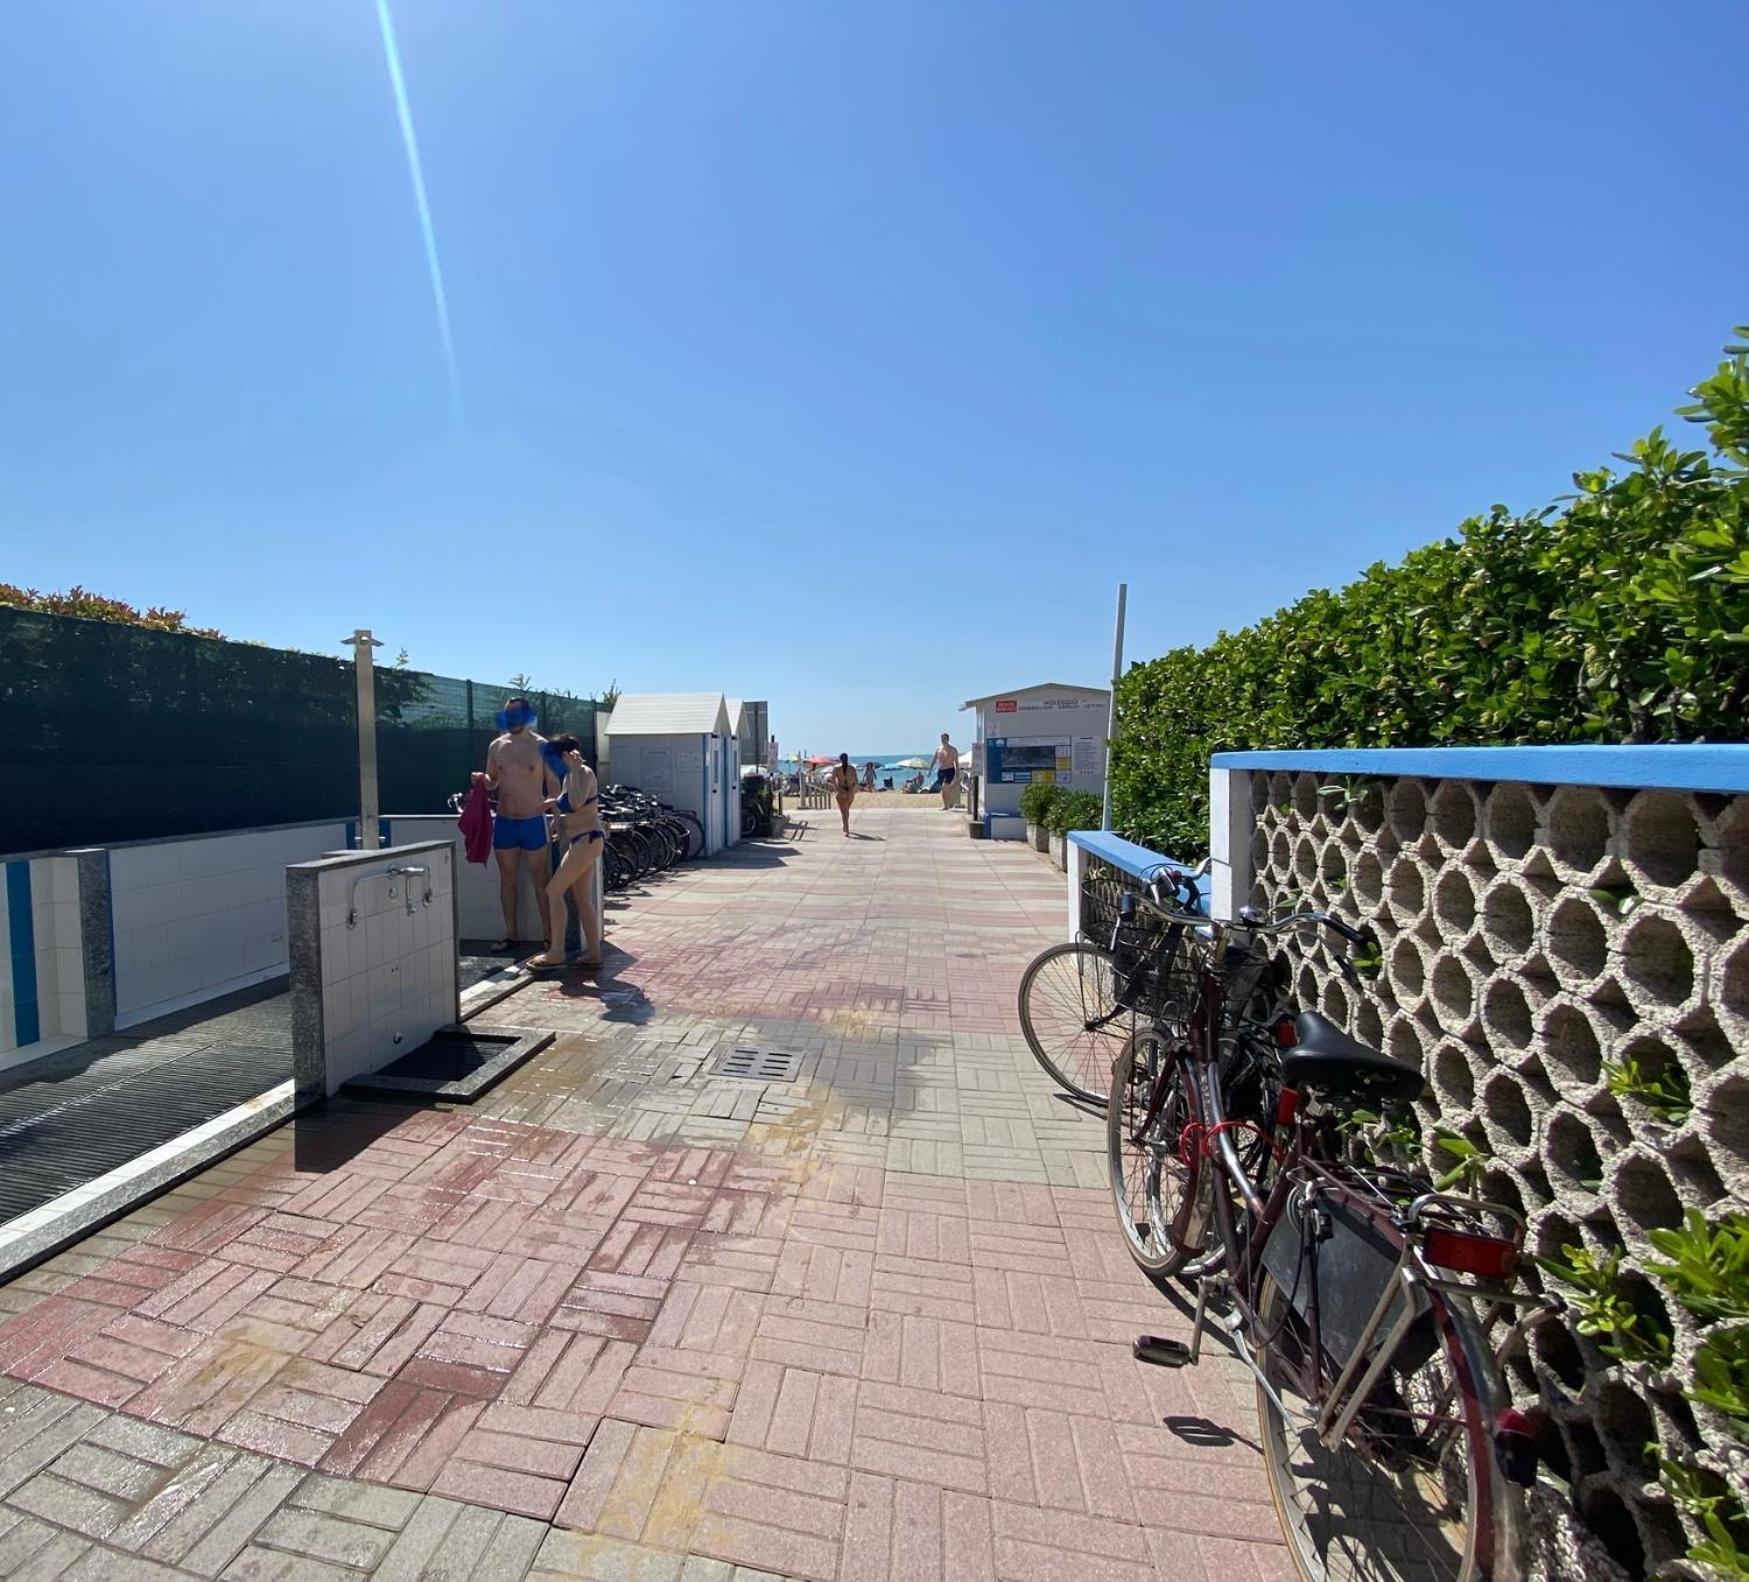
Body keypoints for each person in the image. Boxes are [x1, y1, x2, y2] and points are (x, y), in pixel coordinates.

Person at [475, 697, 557, 951]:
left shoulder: (542, 746)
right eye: (508, 714)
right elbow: (493, 781)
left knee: (541, 879)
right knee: (507, 879)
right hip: (505, 821)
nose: (512, 718)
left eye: (516, 713)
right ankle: (511, 934)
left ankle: (549, 936)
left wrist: (554, 818)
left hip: (533, 821)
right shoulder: (497, 746)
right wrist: (483, 780)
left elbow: (555, 788)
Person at [527, 735, 604, 970]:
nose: (549, 763)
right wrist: (556, 821)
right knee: (582, 899)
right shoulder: (572, 774)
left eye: (551, 758)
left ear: (564, 756)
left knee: (553, 890)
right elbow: (568, 804)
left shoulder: (583, 772)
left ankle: (556, 951)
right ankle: (594, 953)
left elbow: (576, 802)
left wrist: (575, 771)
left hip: (587, 840)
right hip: (583, 840)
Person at [829, 752, 858, 836]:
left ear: (840, 759)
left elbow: (833, 780)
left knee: (843, 811)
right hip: (850, 791)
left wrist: (836, 788)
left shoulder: (836, 768)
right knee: (846, 810)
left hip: (841, 791)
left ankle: (846, 828)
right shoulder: (852, 768)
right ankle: (846, 827)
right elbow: (856, 781)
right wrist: (852, 788)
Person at [932, 733, 960, 810]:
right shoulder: (938, 749)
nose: (943, 740)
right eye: (942, 738)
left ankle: (950, 803)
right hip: (941, 771)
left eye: (944, 738)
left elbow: (956, 762)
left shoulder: (953, 749)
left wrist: (957, 773)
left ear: (948, 739)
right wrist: (930, 770)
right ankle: (945, 805)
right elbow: (934, 760)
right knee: (943, 789)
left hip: (950, 770)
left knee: (945, 786)